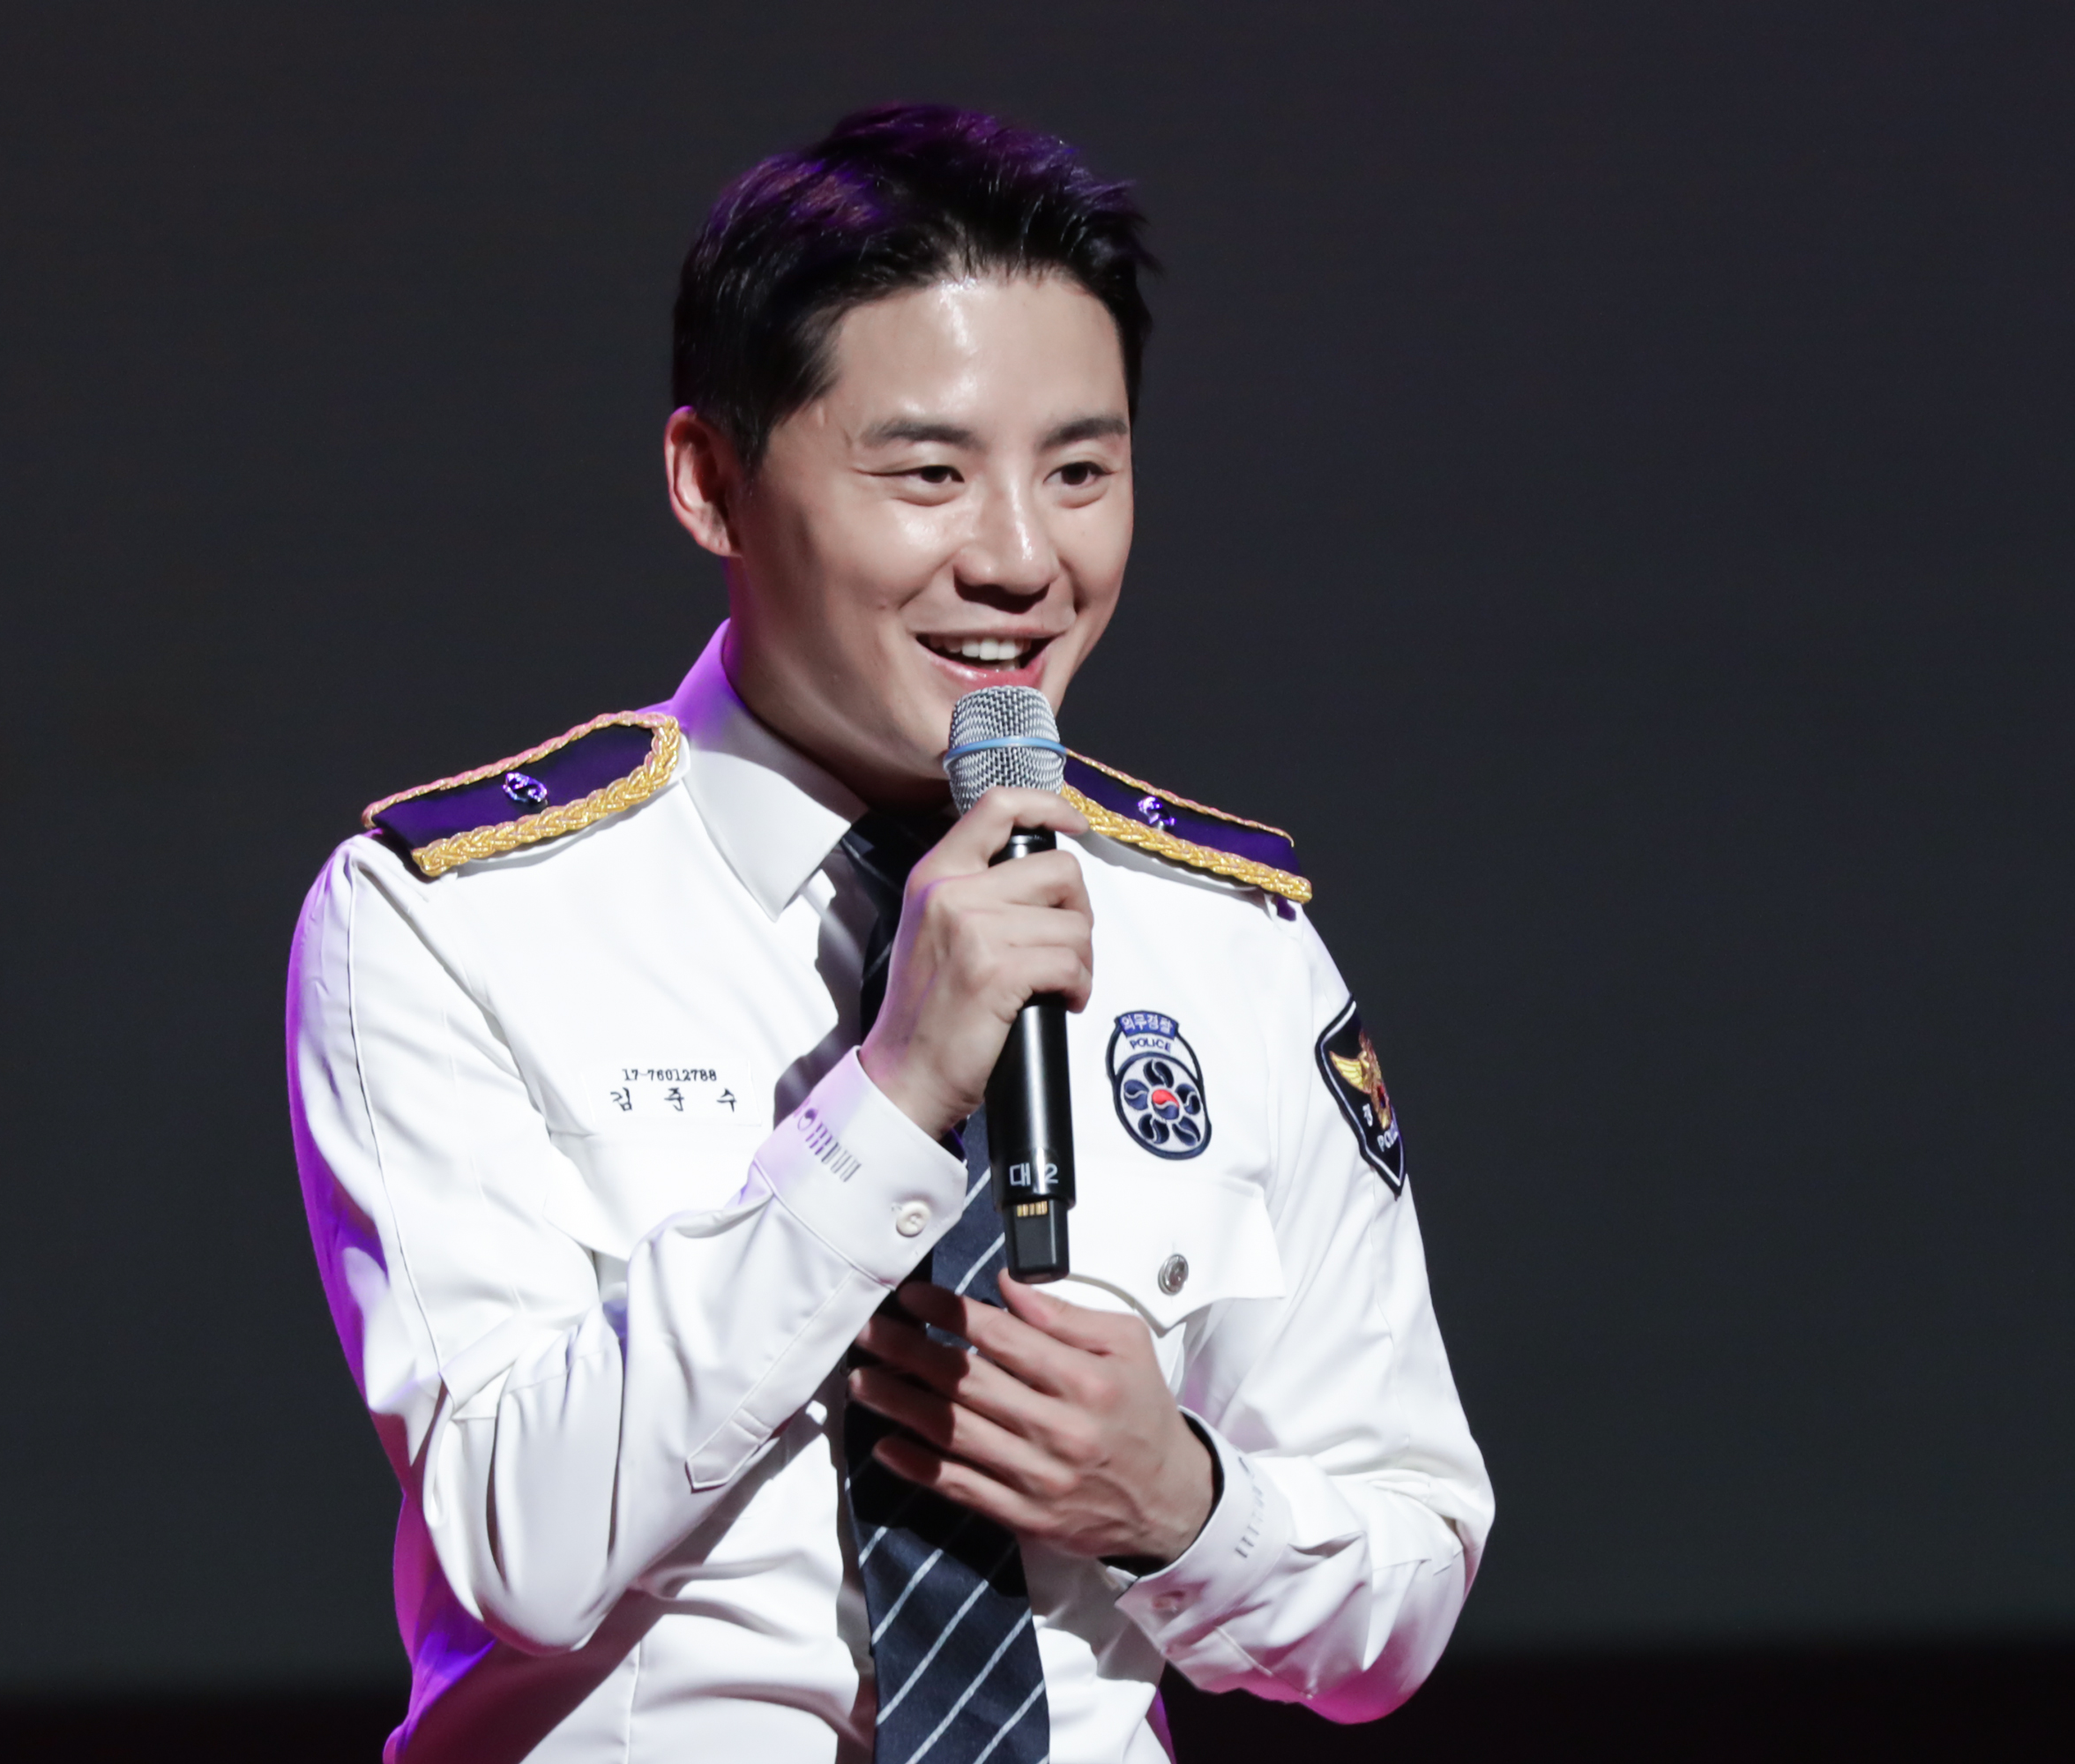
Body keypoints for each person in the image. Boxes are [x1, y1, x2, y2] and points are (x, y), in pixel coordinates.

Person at [287, 104, 1492, 1763]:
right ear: (712, 482)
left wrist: (1178, 1500)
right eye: (929, 473)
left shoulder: (1227, 938)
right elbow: (519, 1550)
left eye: (1080, 472)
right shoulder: (458, 920)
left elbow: (1400, 1600)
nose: (1020, 559)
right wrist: (895, 1096)